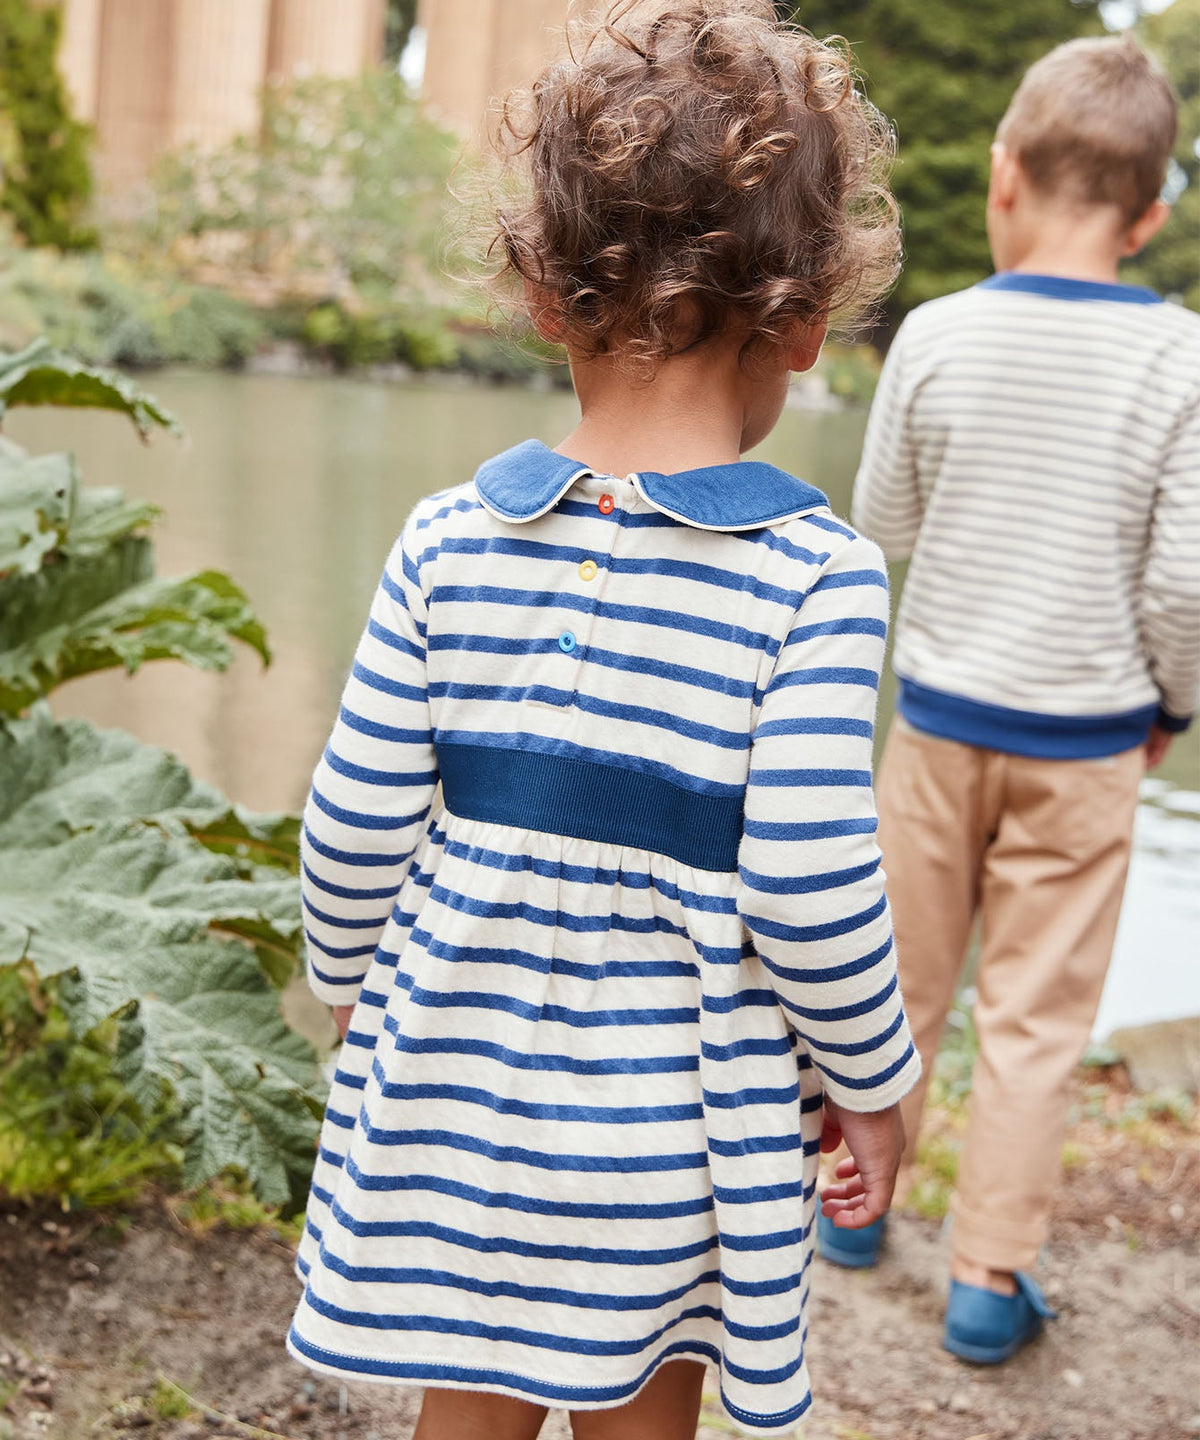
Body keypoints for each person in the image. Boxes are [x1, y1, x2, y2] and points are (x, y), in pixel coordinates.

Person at [286, 2, 922, 1435]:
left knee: (468, 1402)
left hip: (452, 1098)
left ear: (542, 294)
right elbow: (814, 885)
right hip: (667, 1141)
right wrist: (873, 1078)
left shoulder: (446, 540)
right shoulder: (814, 580)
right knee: (646, 1409)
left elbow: (350, 823)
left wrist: (348, 987)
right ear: (809, 321)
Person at [835, 32, 1200, 1366]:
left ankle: (856, 1207)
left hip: (937, 721)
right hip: (1090, 738)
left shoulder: (935, 334)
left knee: (898, 981)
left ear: (1003, 178)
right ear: (1152, 215)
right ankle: (988, 1280)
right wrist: (1171, 706)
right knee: (1037, 1021)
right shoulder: (1182, 363)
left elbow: (884, 522)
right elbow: (1187, 585)